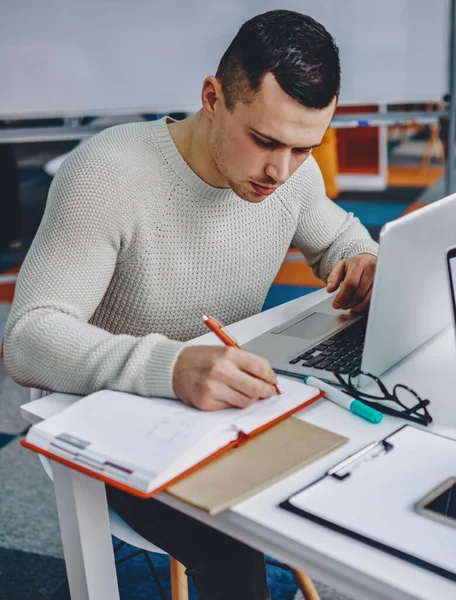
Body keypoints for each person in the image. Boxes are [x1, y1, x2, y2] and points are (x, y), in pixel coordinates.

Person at [4, 10, 378, 599]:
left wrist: (361, 260)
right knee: (234, 538)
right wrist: (171, 367)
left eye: (305, 148)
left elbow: (343, 239)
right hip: (115, 420)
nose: (280, 171)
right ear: (212, 97)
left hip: (227, 410)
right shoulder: (106, 174)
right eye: (264, 141)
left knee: (367, 465)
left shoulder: (289, 178)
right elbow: (27, 338)